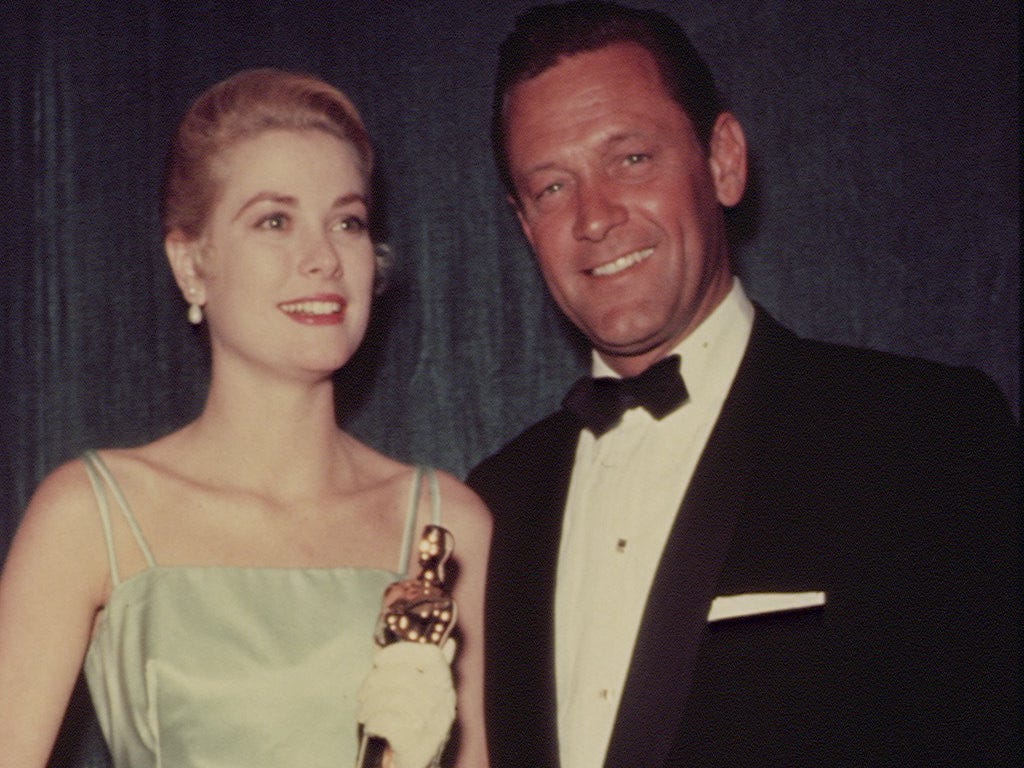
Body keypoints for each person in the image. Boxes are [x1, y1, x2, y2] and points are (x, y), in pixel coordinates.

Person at [467, 3, 1019, 767]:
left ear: (723, 160)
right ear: (524, 225)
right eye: (553, 187)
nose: (594, 218)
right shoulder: (490, 505)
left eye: (631, 159)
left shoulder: (924, 438)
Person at [0, 68, 490, 768]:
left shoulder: (448, 524)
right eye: (274, 221)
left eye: (346, 221)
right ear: (191, 263)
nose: (322, 258)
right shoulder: (89, 516)